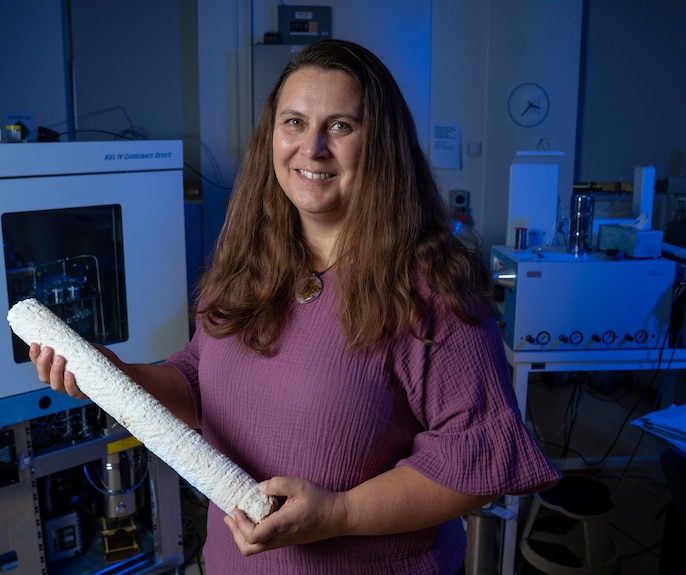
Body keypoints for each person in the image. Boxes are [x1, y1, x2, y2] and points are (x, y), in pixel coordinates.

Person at [30, 38, 560, 574]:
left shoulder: (432, 289)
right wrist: (116, 376)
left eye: (341, 126)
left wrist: (341, 513)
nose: (313, 149)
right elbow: (198, 380)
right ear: (271, 138)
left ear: (383, 145)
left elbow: (479, 461)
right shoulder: (246, 263)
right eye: (294, 123)